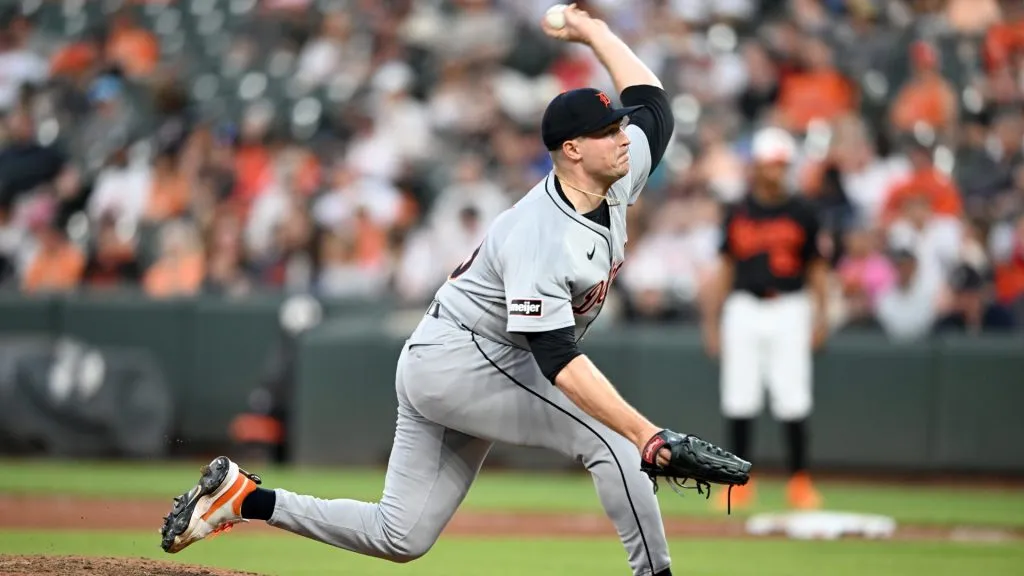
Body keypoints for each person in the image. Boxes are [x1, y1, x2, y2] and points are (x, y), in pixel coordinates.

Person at [159, 7, 748, 576]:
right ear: (572, 150)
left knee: (401, 535)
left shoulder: (615, 173)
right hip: (461, 361)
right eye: (608, 131)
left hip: (453, 355)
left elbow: (654, 103)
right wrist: (645, 433)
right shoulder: (541, 234)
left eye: (619, 126)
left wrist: (594, 32)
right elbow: (557, 358)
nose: (624, 136)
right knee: (614, 441)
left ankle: (243, 499)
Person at [702, 127, 829, 511]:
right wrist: (711, 319)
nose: (776, 172)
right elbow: (724, 267)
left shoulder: (803, 210)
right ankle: (739, 484)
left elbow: (816, 268)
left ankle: (799, 481)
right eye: (770, 164)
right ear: (756, 166)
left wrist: (822, 316)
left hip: (791, 305)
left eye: (781, 165)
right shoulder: (738, 210)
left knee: (793, 398)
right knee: (739, 397)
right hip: (743, 305)